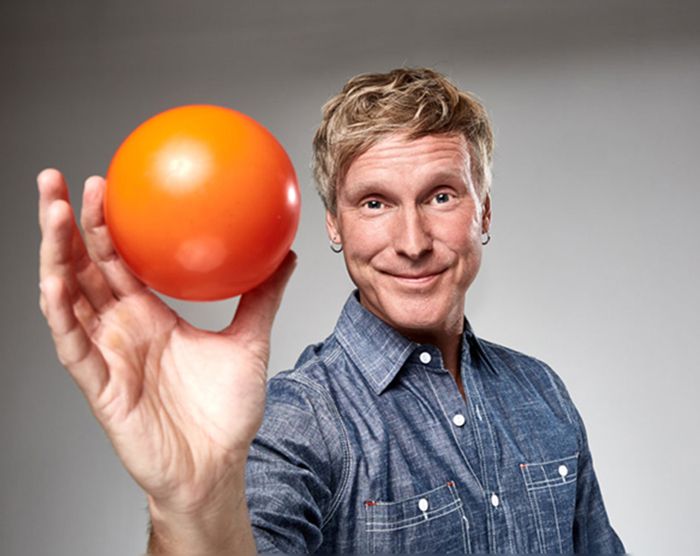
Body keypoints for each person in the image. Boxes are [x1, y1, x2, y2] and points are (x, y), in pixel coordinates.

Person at [38, 67, 624, 554]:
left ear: (484, 212)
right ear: (334, 225)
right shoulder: (298, 421)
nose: (412, 242)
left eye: (441, 196)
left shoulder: (541, 392)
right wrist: (195, 505)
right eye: (374, 203)